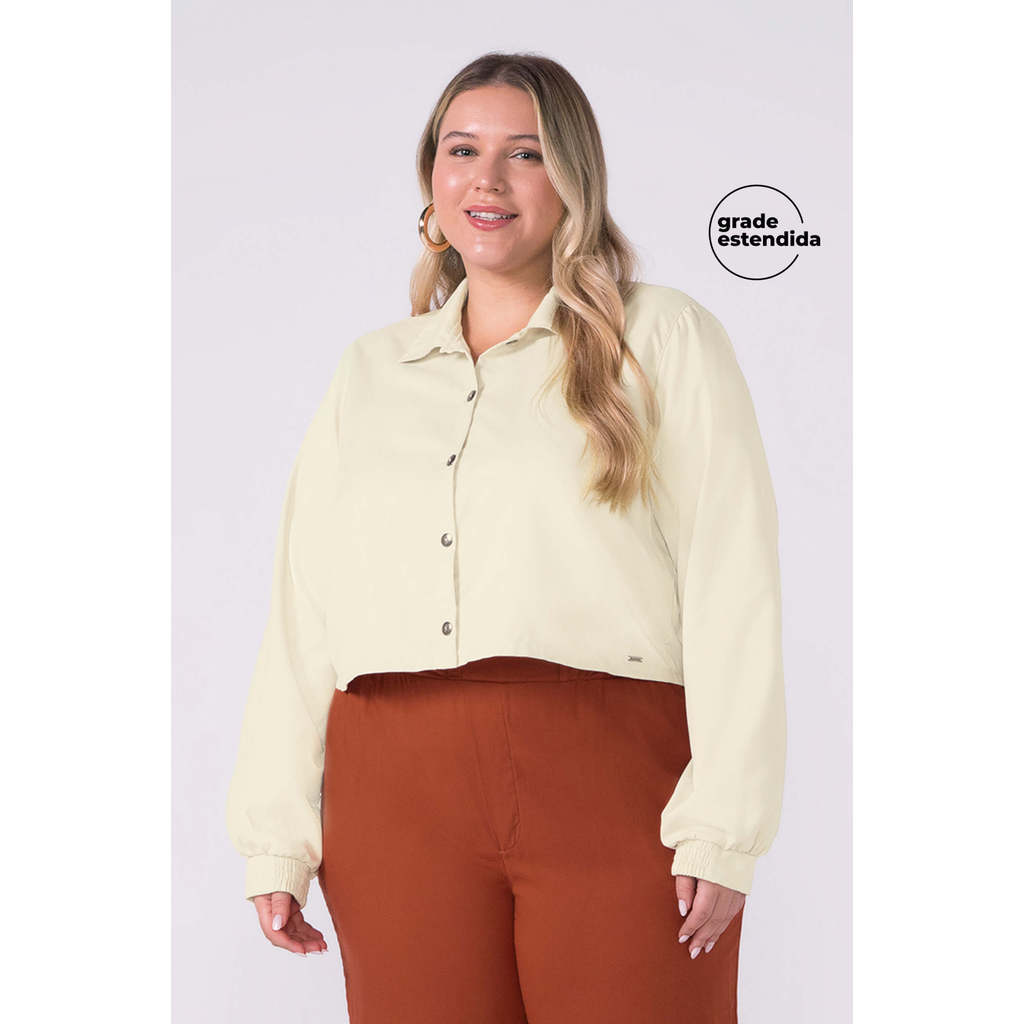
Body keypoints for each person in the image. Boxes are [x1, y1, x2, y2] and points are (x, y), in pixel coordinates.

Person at [225, 51, 787, 1023]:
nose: (486, 180)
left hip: (614, 778)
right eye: (462, 150)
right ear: (431, 178)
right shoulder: (371, 371)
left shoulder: (661, 338)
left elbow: (732, 580)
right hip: (393, 790)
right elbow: (304, 610)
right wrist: (275, 836)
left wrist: (724, 825)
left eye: (523, 153)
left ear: (572, 178)